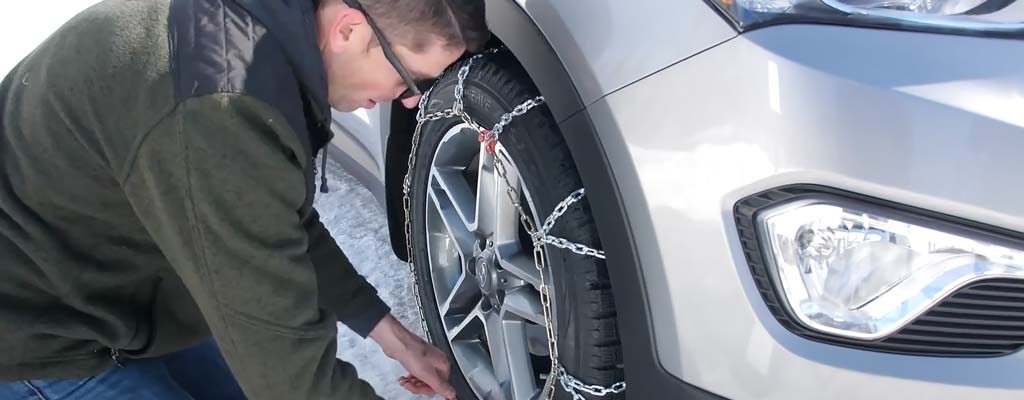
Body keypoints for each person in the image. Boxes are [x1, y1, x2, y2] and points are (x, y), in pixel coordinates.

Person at [0, 0, 489, 398]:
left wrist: (390, 334)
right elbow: (288, 377)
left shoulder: (270, 30)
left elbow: (269, 218)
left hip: (113, 279)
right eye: (412, 77)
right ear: (349, 30)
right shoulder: (219, 109)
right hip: (35, 325)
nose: (410, 100)